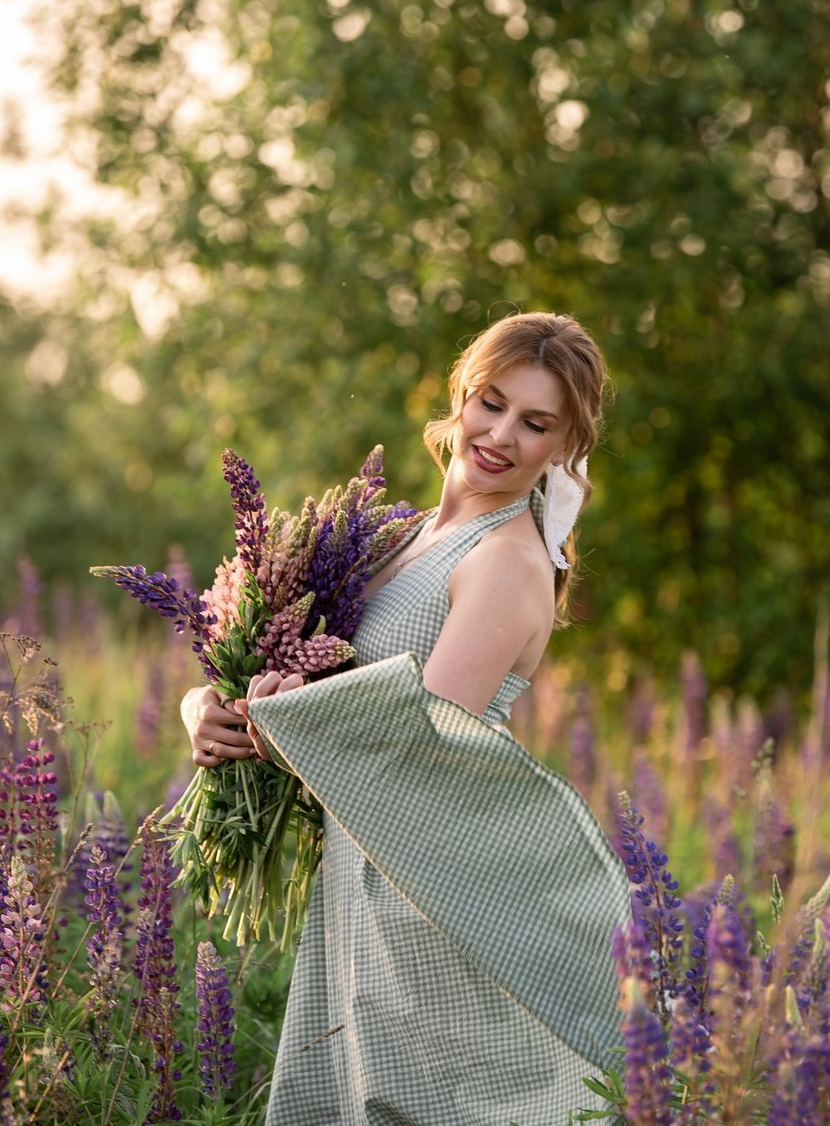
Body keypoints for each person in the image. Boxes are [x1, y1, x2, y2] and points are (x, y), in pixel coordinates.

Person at [181, 311, 628, 1125]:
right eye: (490, 402)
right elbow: (277, 656)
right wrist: (207, 710)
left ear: (565, 446)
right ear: (460, 393)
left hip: (437, 891)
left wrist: (277, 722)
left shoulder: (506, 563)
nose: (499, 435)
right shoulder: (396, 538)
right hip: (366, 872)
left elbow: (417, 736)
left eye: (535, 424)